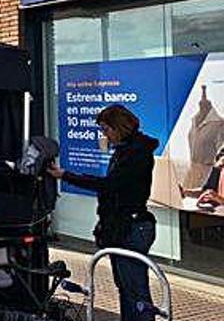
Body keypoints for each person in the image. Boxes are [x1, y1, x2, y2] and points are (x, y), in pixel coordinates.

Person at [48, 104, 157, 321]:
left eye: (106, 129)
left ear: (119, 128)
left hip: (132, 226)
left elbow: (111, 185)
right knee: (126, 287)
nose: (104, 135)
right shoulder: (128, 151)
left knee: (134, 289)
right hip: (125, 225)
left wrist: (65, 175)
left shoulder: (135, 154)